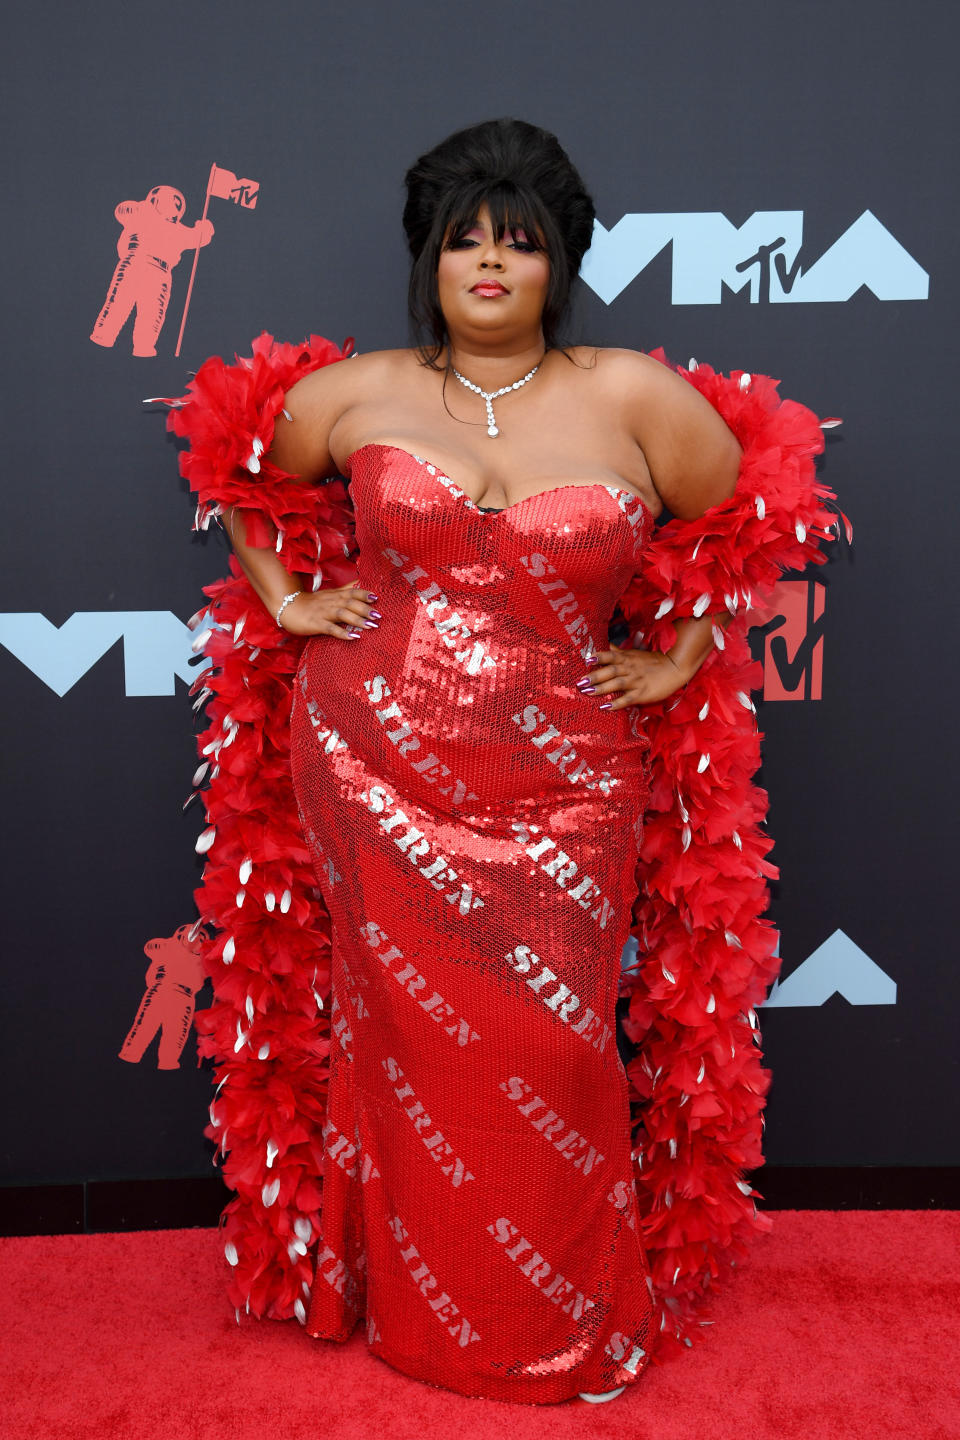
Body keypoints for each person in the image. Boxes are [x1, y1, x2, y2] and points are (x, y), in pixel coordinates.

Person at [159, 118, 843, 1407]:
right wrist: (287, 598)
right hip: (373, 770)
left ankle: (550, 1324)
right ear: (427, 257)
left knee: (543, 1049)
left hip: (566, 787)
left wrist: (684, 649)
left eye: (517, 243)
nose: (487, 264)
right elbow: (235, 461)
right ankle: (403, 1312)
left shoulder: (630, 392)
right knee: (403, 1046)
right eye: (463, 240)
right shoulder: (359, 392)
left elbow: (752, 503)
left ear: (556, 264)